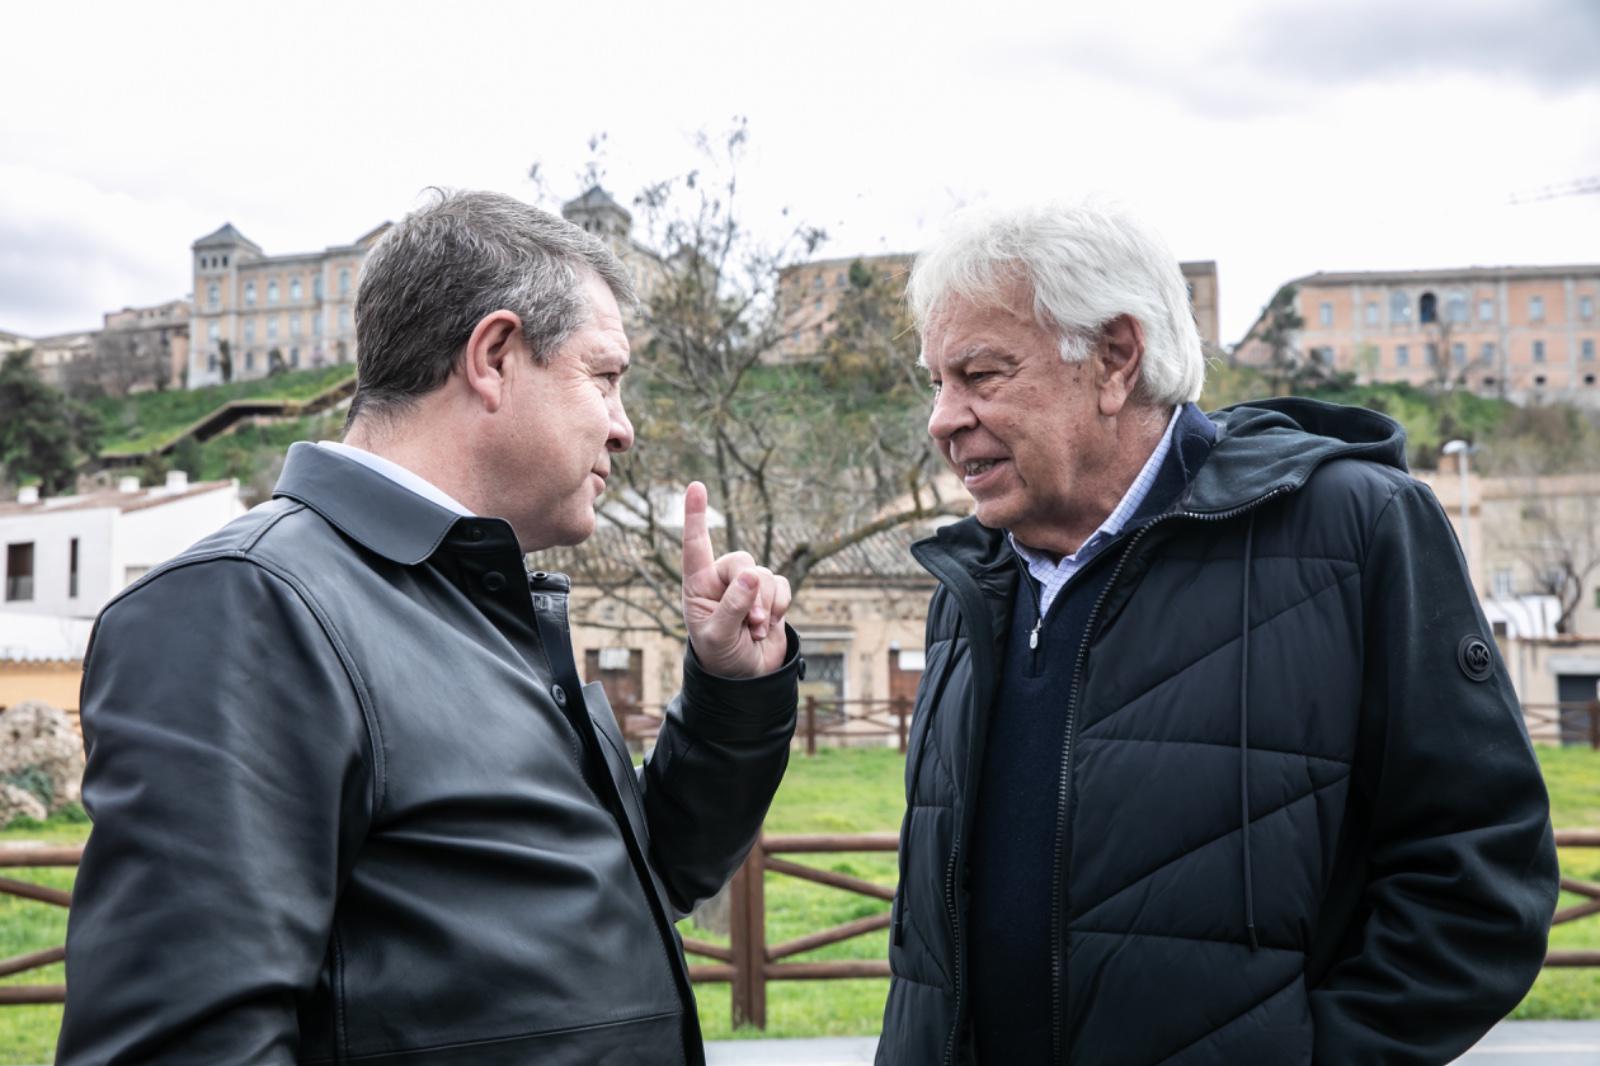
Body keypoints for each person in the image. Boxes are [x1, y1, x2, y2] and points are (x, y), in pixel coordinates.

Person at [58, 191, 801, 1066]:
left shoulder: (481, 600)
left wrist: (731, 693)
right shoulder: (245, 607)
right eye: (604, 378)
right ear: (493, 357)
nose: (625, 427)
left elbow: (636, 883)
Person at [876, 200, 1558, 1065]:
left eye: (980, 376)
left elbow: (1482, 879)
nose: (942, 418)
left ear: (1116, 359)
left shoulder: (1354, 528)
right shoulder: (970, 583)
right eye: (935, 382)